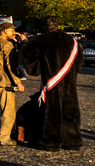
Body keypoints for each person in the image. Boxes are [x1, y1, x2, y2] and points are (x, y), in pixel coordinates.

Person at [19, 16, 84, 151]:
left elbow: (33, 69)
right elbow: (78, 64)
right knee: (70, 109)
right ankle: (72, 140)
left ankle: (50, 140)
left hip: (51, 82)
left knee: (51, 110)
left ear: (44, 27)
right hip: (70, 81)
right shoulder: (72, 41)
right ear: (59, 26)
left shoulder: (38, 41)